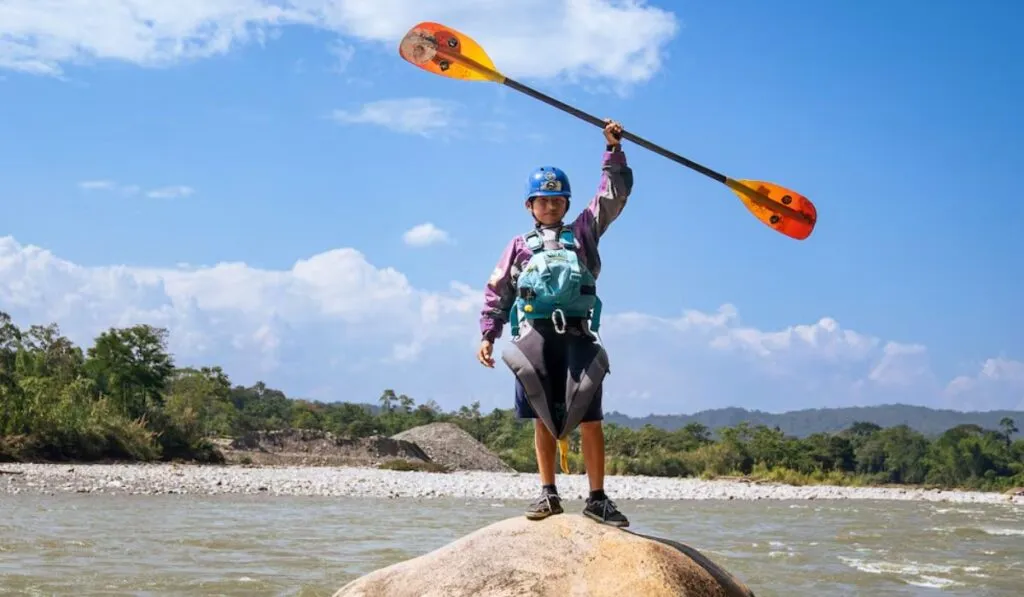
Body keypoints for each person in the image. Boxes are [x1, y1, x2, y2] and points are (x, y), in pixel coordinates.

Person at [476, 118, 632, 527]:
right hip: (536, 338)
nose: (550, 206)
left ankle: (597, 497)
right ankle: (548, 494)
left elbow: (611, 198)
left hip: (578, 335)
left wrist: (612, 152)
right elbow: (497, 291)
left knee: (592, 418)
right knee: (543, 418)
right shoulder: (518, 246)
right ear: (530, 205)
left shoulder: (583, 231)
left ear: (566, 203)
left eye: (557, 200)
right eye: (542, 201)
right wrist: (488, 334)